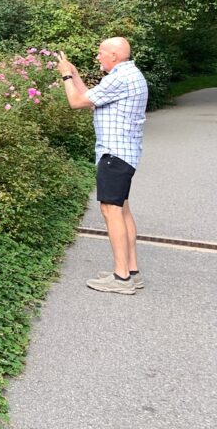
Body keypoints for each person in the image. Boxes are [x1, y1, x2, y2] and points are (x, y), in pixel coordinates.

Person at [56, 37, 148, 294]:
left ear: (114, 56)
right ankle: (132, 271)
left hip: (114, 154)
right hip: (124, 153)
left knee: (111, 211)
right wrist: (74, 74)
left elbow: (76, 102)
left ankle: (121, 279)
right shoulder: (129, 73)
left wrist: (65, 77)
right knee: (122, 209)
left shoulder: (120, 78)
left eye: (100, 53)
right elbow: (90, 98)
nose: (97, 57)